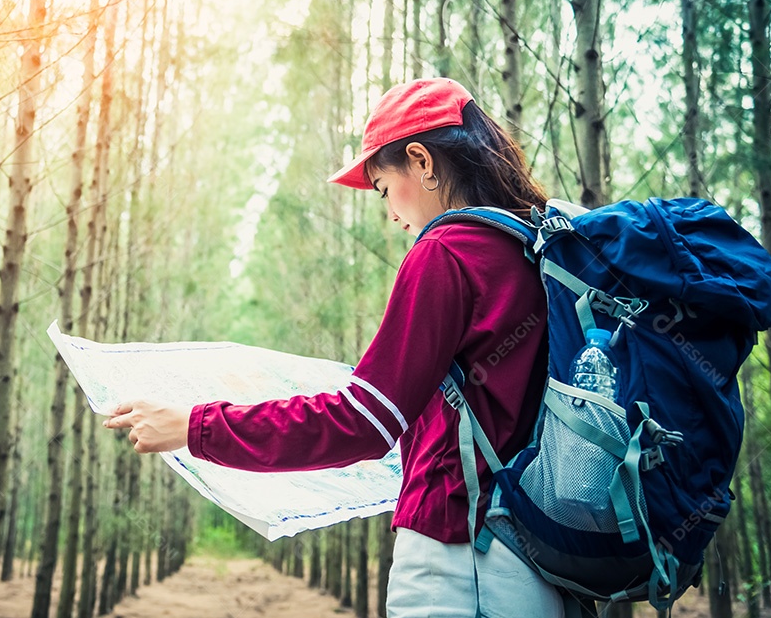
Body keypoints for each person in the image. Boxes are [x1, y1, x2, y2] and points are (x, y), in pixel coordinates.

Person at [103, 77, 565, 618]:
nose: (391, 213)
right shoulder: (533, 249)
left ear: (422, 161)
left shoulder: (447, 252)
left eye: (383, 187)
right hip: (535, 557)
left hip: (459, 560)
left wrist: (195, 426)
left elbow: (362, 424)